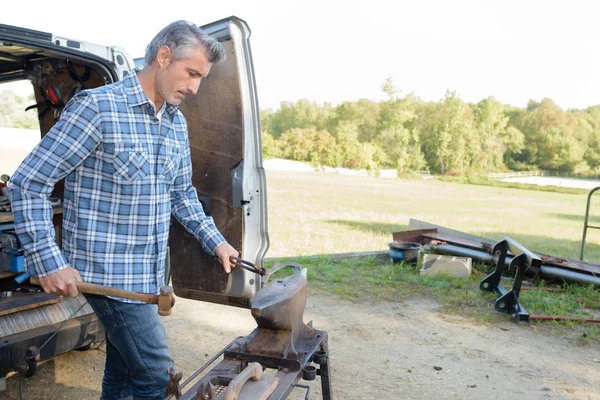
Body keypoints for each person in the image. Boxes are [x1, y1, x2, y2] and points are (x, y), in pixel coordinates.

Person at [9, 20, 238, 399]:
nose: (195, 88)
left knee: (123, 375)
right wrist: (48, 260)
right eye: (192, 73)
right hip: (107, 278)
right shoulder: (98, 108)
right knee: (156, 379)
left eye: (202, 78)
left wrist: (218, 243)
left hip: (146, 279)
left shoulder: (176, 124)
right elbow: (29, 182)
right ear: (164, 57)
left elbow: (181, 195)